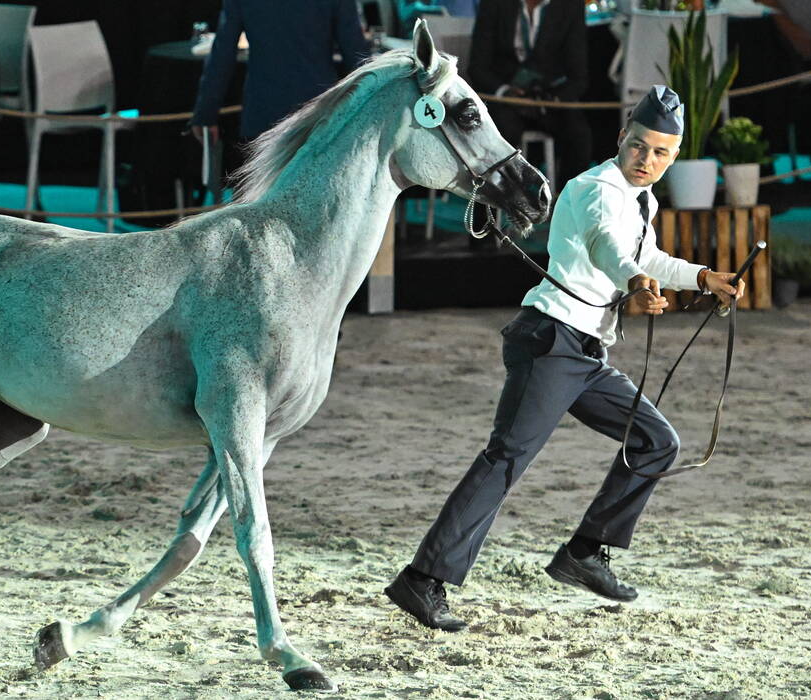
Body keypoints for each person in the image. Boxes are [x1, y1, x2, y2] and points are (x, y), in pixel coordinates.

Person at [383, 86, 746, 632]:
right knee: (505, 459)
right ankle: (423, 579)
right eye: (639, 148)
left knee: (656, 442)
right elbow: (609, 249)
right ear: (622, 138)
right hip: (550, 341)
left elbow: (646, 255)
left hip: (585, 352)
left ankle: (584, 553)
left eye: (660, 154)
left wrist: (701, 277)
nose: (647, 161)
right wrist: (636, 283)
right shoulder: (596, 187)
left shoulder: (641, 198)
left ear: (674, 157)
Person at [188, 0, 372, 149]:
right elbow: (356, 56)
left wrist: (205, 114)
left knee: (264, 193)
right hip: (318, 112)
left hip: (263, 114)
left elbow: (222, 55)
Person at [467, 0, 591, 194]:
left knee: (579, 135)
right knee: (498, 136)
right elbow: (477, 67)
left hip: (546, 99)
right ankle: (487, 215)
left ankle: (566, 210)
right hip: (504, 99)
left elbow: (579, 76)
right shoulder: (494, 4)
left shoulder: (570, 5)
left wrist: (553, 99)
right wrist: (505, 91)